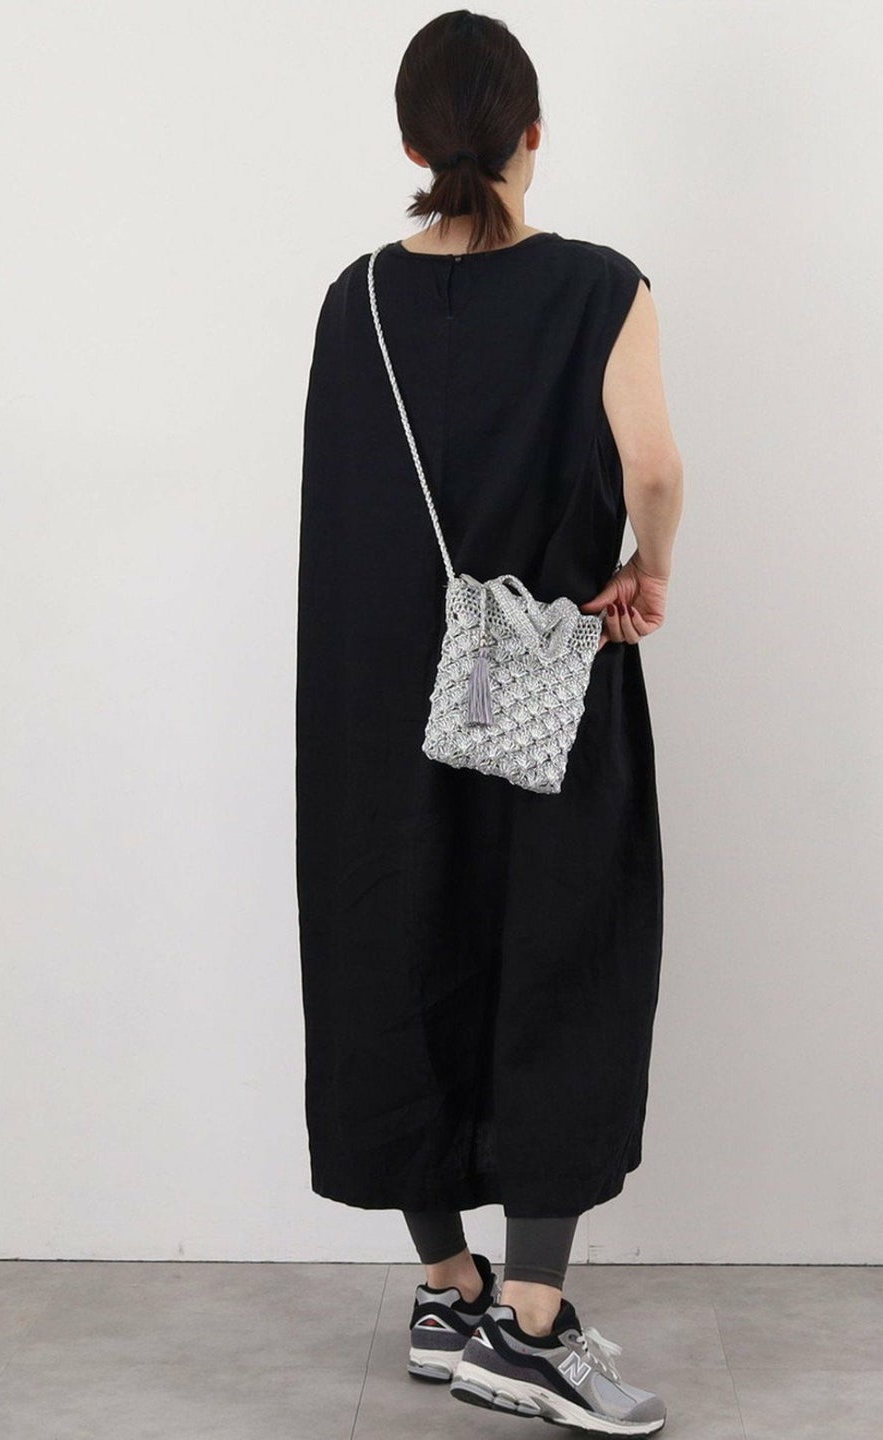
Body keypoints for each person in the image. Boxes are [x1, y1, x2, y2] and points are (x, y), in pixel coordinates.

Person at [295, 11, 682, 1433]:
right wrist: (647, 571)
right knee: (563, 949)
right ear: (532, 133)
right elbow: (653, 466)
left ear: (411, 147)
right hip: (548, 680)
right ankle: (528, 1322)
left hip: (378, 688)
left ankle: (446, 1285)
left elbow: (345, 509)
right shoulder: (600, 287)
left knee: (396, 943)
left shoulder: (355, 300)